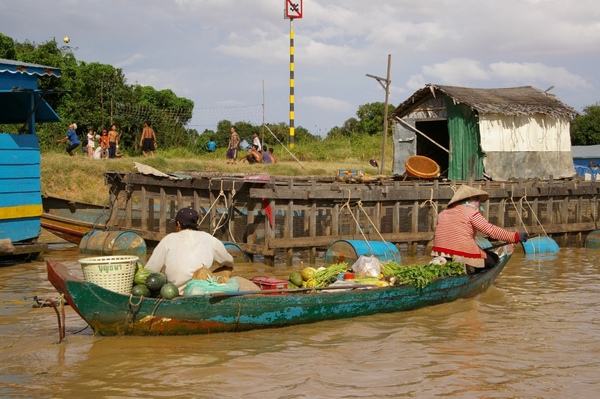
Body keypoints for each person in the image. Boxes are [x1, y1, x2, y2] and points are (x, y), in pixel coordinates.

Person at [431, 185, 528, 273]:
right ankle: (471, 270)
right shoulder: (470, 213)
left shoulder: (443, 213)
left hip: (439, 253)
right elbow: (490, 230)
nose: (478, 203)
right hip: (460, 254)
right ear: (470, 199)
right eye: (476, 199)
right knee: (493, 258)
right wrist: (514, 236)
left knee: (482, 252)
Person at [144, 207, 235, 294]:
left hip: (175, 291)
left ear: (178, 224)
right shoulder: (210, 239)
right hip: (202, 289)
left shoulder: (168, 239)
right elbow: (229, 262)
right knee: (228, 268)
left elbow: (150, 270)